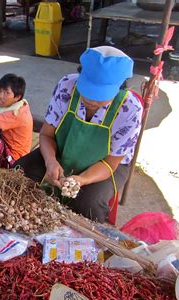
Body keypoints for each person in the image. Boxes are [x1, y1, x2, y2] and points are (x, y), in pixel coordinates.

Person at [15, 46, 143, 223]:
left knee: (89, 205)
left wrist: (82, 179)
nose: (91, 100)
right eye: (87, 91)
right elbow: (46, 135)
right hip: (63, 148)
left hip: (105, 164)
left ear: (118, 88)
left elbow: (111, 163)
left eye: (100, 96)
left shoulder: (130, 109)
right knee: (18, 173)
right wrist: (51, 161)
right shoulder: (67, 86)